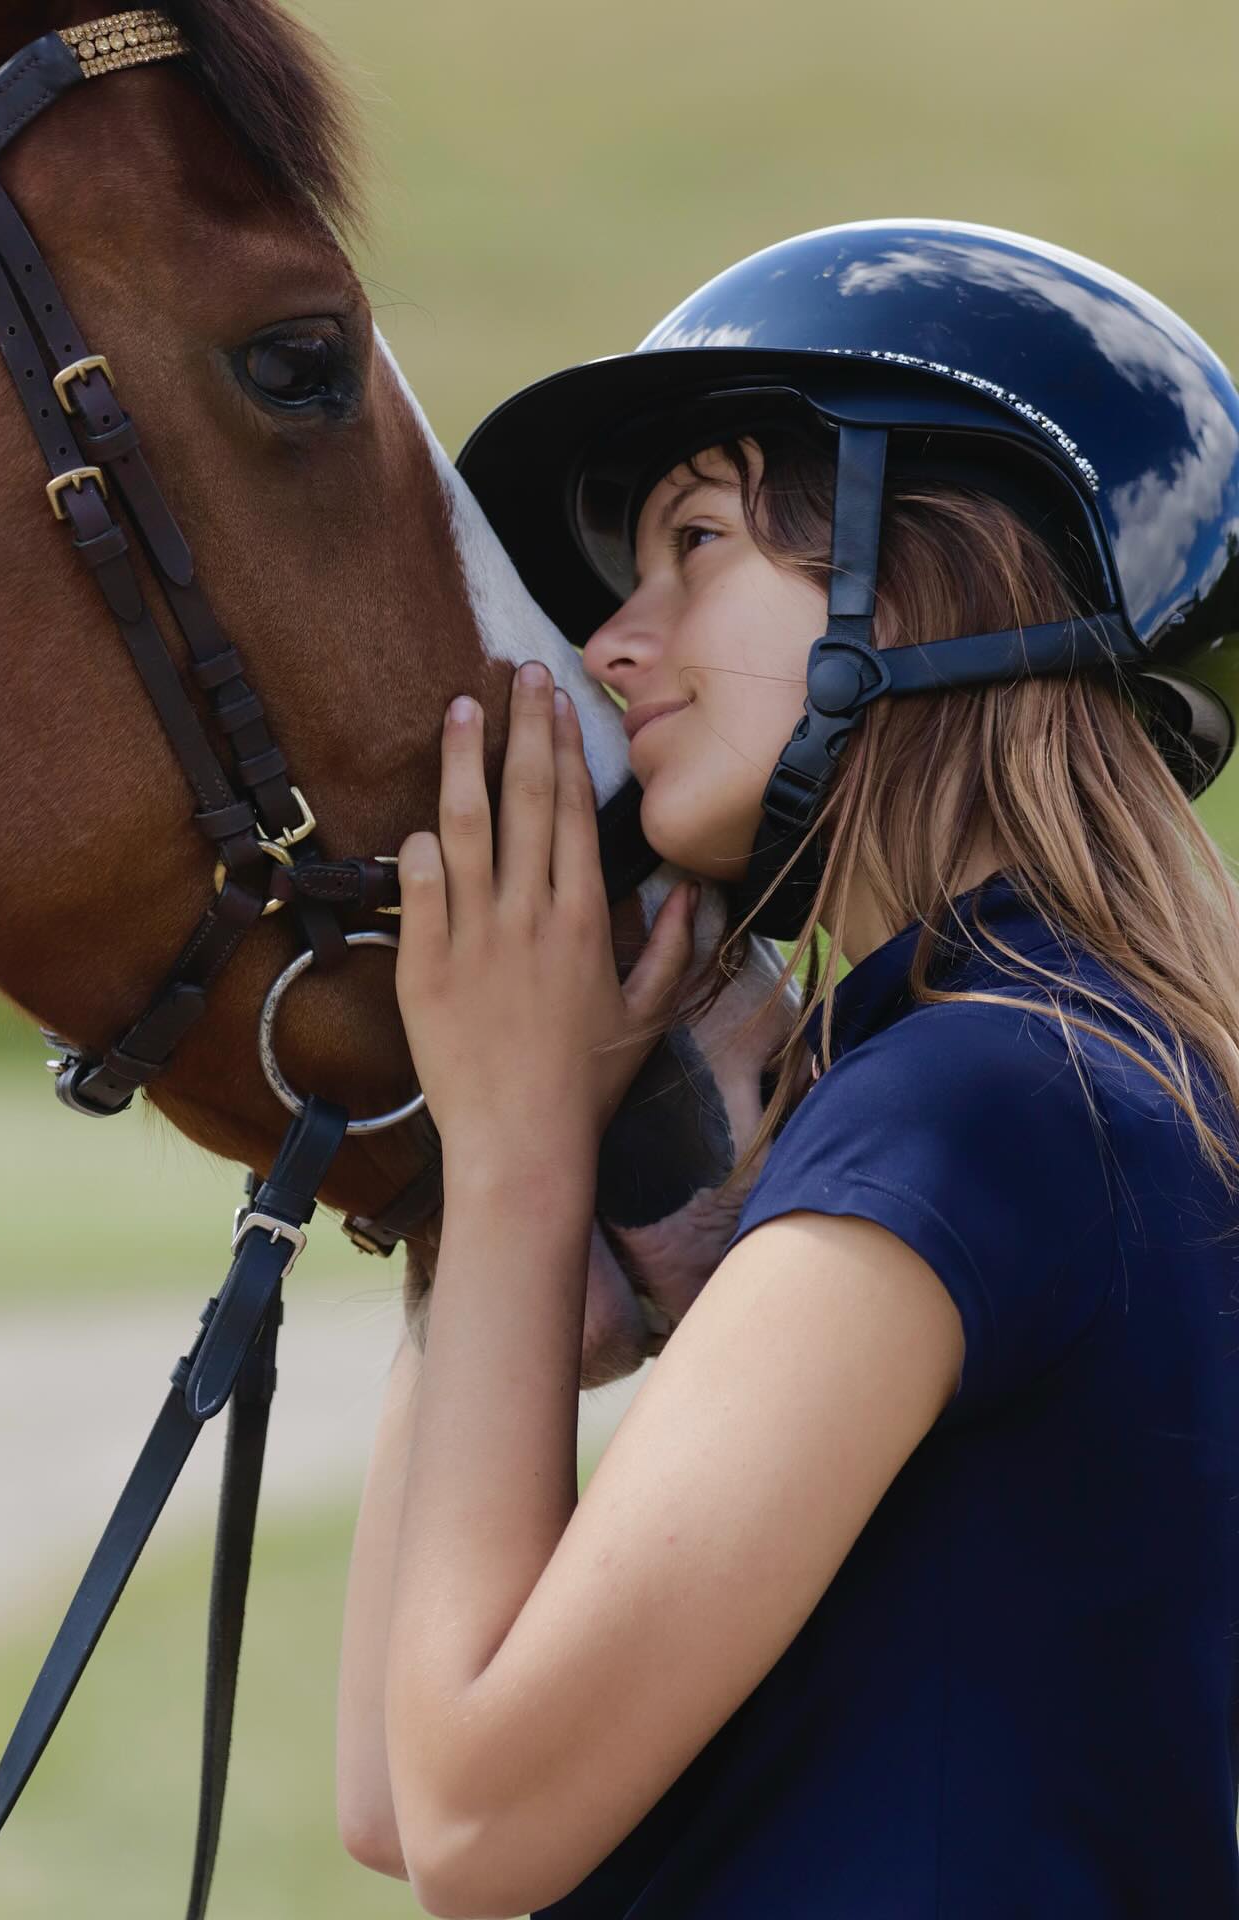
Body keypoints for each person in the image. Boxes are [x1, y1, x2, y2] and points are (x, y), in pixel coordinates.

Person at [338, 219, 1239, 1916]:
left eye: (696, 544)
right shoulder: (1047, 1071)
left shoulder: (980, 1104)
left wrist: (520, 1141)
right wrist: (497, 1207)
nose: (614, 644)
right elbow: (394, 1788)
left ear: (923, 583)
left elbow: (471, 1829)